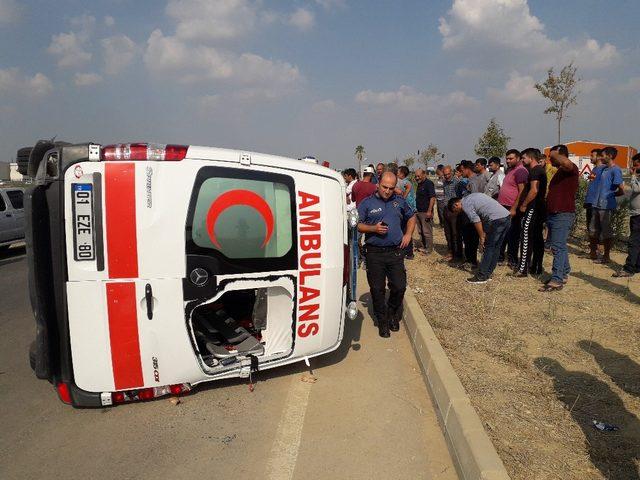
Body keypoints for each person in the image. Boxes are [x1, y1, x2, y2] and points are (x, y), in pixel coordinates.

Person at [357, 172, 416, 338]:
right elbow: (358, 225)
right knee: (377, 289)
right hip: (374, 253)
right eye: (384, 187)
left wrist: (408, 235)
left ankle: (392, 314)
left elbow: (411, 218)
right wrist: (373, 229)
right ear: (378, 184)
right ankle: (382, 320)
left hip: (395, 252)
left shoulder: (399, 202)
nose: (388, 191)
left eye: (391, 188)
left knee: (399, 286)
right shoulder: (367, 203)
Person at [447, 194, 510, 284]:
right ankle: (488, 274)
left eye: (456, 211)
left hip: (496, 220)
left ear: (456, 205)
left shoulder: (466, 204)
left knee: (489, 248)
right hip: (506, 217)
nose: (458, 212)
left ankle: (481, 276)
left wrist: (481, 237)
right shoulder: (471, 197)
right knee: (496, 247)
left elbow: (476, 220)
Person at [541, 144, 579, 292]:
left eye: (552, 156)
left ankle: (556, 280)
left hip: (562, 213)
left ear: (561, 155)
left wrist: (557, 155)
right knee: (560, 245)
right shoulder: (560, 172)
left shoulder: (571, 168)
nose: (550, 159)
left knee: (557, 247)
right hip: (554, 213)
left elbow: (567, 163)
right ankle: (563, 273)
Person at [515, 148, 547, 277]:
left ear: (531, 158)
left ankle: (523, 269)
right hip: (539, 209)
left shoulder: (535, 171)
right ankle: (536, 267)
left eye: (523, 158)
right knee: (537, 238)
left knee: (526, 237)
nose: (522, 160)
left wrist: (524, 204)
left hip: (533, 208)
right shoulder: (540, 170)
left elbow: (533, 190)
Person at [589, 146, 624, 264]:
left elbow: (621, 190)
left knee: (606, 232)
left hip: (606, 206)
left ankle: (606, 256)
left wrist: (610, 196)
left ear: (609, 156)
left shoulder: (616, 170)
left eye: (603, 155)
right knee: (593, 230)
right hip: (596, 204)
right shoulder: (604, 169)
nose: (601, 157)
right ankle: (593, 253)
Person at [498, 149, 528, 267]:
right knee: (503, 233)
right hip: (503, 206)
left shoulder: (520, 171)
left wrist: (514, 208)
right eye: (507, 158)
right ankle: (500, 257)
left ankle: (512, 260)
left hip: (511, 207)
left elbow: (522, 191)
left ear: (518, 158)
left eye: (511, 158)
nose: (508, 160)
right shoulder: (511, 170)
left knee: (513, 235)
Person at [613, 154, 640, 277]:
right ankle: (637, 266)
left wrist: (633, 176)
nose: (633, 167)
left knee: (634, 241)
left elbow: (635, 189)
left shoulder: (636, 178)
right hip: (636, 214)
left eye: (636, 165)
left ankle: (629, 269)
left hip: (638, 215)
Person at [442, 165, 462, 262]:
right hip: (446, 209)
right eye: (445, 174)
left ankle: (458, 254)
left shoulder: (458, 182)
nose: (447, 176)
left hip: (454, 211)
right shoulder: (444, 182)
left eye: (448, 174)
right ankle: (450, 251)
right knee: (447, 232)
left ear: (452, 173)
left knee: (455, 233)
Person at [414, 168, 436, 254]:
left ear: (424, 175)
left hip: (426, 212)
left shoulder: (429, 184)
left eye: (418, 176)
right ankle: (423, 246)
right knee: (420, 231)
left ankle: (429, 249)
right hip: (419, 211)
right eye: (416, 176)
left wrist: (429, 211)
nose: (417, 178)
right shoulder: (419, 184)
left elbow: (432, 197)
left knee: (427, 231)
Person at [584, 149, 603, 242]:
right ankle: (593, 249)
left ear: (599, 157)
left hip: (596, 202)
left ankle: (598, 249)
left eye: (592, 156)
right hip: (589, 201)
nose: (590, 158)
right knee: (590, 227)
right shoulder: (595, 168)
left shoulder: (604, 169)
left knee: (596, 227)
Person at [397, 166, 416, 259]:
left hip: (407, 209)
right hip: (410, 208)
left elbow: (403, 197)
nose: (397, 173)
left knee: (405, 230)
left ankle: (408, 252)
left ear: (402, 173)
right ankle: (408, 252)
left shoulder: (404, 182)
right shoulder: (407, 182)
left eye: (398, 172)